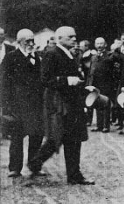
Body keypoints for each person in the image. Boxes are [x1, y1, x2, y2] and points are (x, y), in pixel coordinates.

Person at [27, 26, 94, 184]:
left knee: (71, 138)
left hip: (71, 103)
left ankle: (72, 174)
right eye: (70, 37)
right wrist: (68, 80)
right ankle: (37, 163)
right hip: (60, 104)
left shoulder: (70, 54)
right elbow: (45, 79)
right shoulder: (52, 53)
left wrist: (83, 86)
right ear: (60, 39)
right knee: (59, 137)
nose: (74, 39)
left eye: (75, 36)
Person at [2, 29, 43, 177]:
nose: (31, 44)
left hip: (36, 105)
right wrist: (6, 107)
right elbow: (4, 83)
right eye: (27, 41)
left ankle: (35, 166)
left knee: (37, 135)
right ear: (19, 42)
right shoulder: (10, 58)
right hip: (18, 106)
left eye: (33, 41)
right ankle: (15, 168)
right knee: (17, 137)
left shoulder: (37, 58)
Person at [87, 37, 118, 133]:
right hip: (96, 84)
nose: (99, 46)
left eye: (101, 44)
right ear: (95, 45)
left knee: (106, 105)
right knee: (97, 105)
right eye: (97, 44)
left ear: (105, 45)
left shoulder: (110, 56)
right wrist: (89, 84)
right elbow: (90, 71)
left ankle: (105, 126)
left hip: (106, 84)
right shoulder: (93, 57)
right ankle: (99, 125)